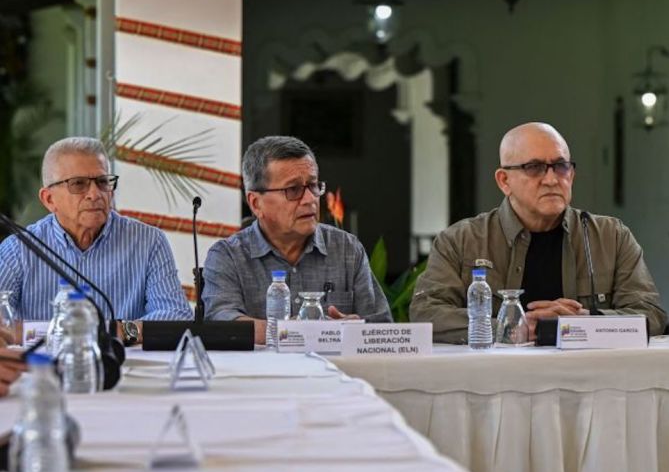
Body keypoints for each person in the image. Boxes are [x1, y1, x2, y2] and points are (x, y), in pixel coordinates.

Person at [410, 122, 666, 343]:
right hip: (496, 381)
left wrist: (583, 323)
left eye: (561, 166)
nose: (552, 179)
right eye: (534, 167)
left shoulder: (611, 237)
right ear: (504, 181)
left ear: (572, 175)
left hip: (589, 381)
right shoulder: (461, 241)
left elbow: (650, 314)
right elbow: (427, 313)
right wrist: (510, 327)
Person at [203, 136, 391, 343]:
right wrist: (292, 331)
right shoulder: (227, 256)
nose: (310, 199)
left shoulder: (347, 249)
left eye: (313, 186)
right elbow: (221, 322)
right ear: (256, 204)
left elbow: (381, 325)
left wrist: (354, 328)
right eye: (293, 190)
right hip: (261, 373)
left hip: (332, 372)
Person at [0, 137, 191, 323]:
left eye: (102, 182)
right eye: (78, 184)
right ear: (49, 199)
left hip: (122, 354)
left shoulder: (148, 241)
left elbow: (176, 314)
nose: (94, 194)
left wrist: (120, 332)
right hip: (44, 355)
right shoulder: (18, 250)